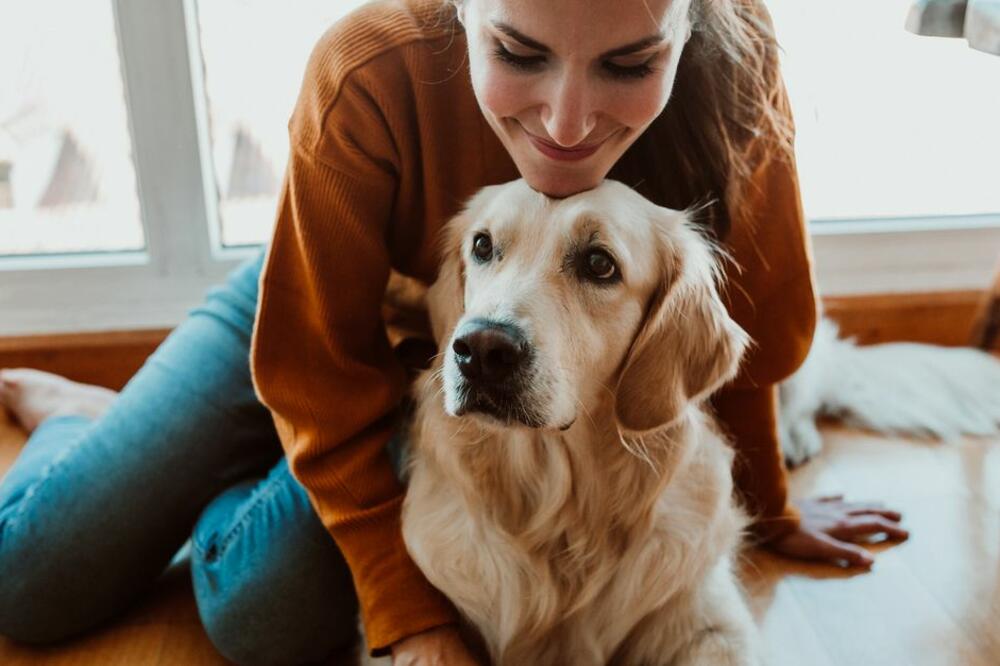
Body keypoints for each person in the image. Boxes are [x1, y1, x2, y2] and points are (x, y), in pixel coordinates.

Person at [0, 0, 909, 663]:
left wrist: (768, 506)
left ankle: (203, 461)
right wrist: (414, 622)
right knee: (32, 577)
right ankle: (92, 420)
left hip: (460, 362)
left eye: (629, 65)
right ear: (463, 13)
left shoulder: (737, 66)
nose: (567, 121)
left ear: (690, 29)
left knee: (261, 616)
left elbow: (744, 327)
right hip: (314, 316)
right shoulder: (368, 67)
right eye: (519, 50)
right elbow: (313, 362)